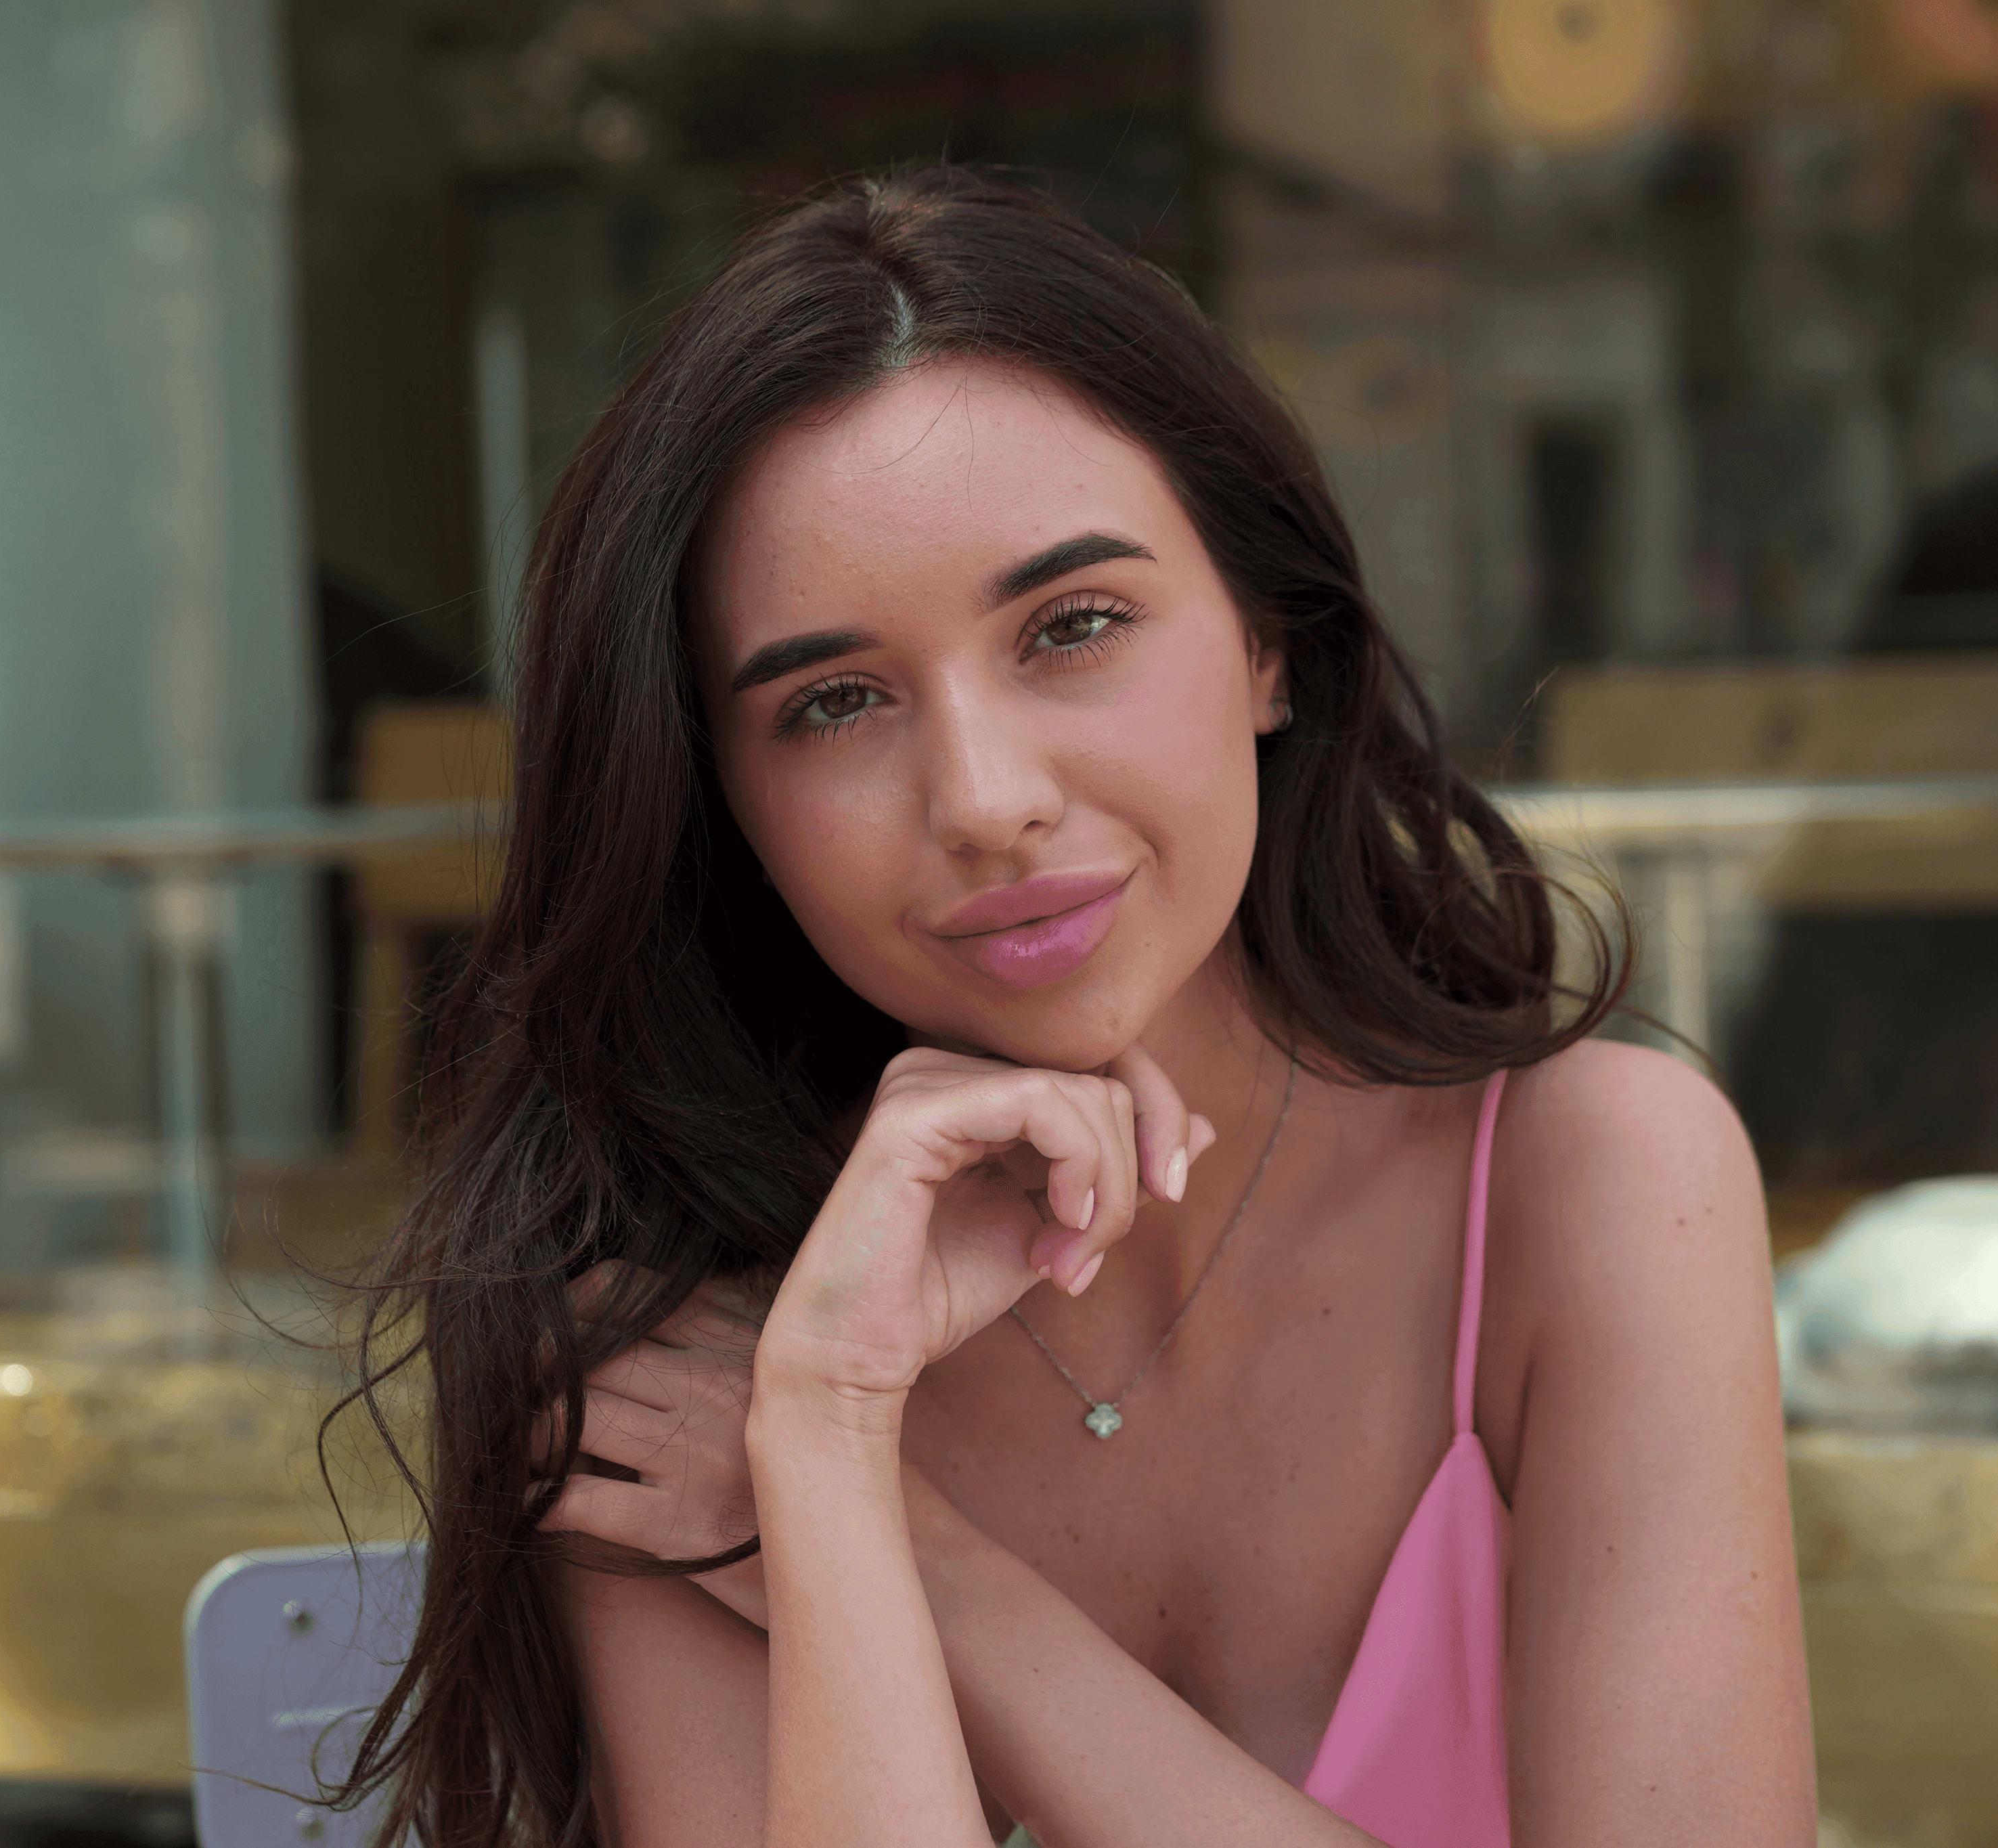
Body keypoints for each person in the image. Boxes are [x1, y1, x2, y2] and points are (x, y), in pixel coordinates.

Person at [340, 168, 1815, 1848]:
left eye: (1074, 625)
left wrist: (919, 1564)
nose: (982, 797)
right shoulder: (680, 1354)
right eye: (830, 703)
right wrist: (820, 1429)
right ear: (719, 802)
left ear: (1269, 641)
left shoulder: (1598, 1180)